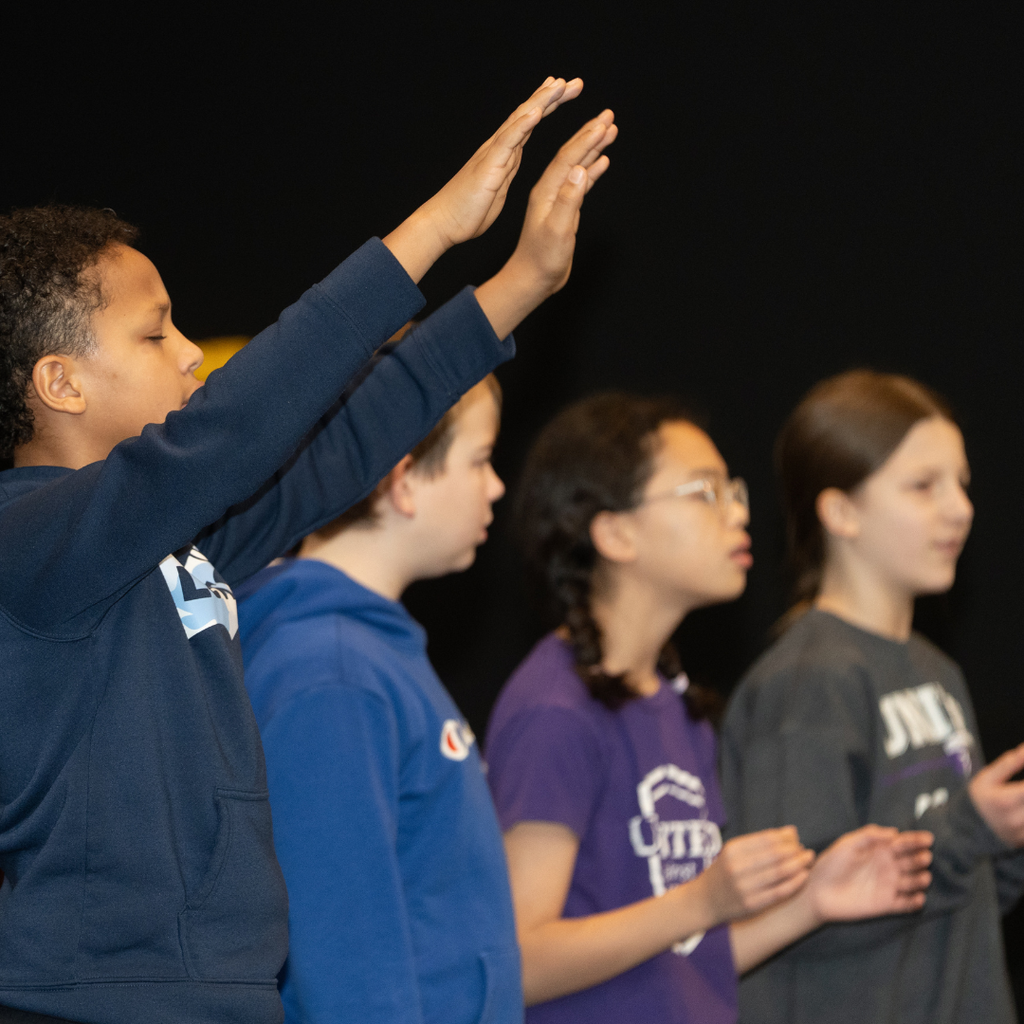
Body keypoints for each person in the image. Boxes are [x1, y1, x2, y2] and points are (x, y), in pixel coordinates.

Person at [0, 77, 613, 1024]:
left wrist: (518, 284)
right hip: (93, 1003)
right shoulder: (33, 541)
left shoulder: (171, 543)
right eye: (157, 331)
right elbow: (233, 430)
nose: (192, 354)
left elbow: (337, 451)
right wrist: (434, 229)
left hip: (225, 997)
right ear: (60, 383)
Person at [484, 392, 934, 1024]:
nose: (736, 516)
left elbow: (682, 960)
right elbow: (518, 961)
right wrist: (699, 901)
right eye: (704, 493)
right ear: (615, 532)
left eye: (735, 492)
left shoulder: (675, 701)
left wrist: (811, 904)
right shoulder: (556, 709)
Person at [720, 369, 1024, 1024]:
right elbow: (798, 912)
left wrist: (1006, 843)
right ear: (841, 511)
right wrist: (971, 826)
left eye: (962, 484)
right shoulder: (806, 683)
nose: (960, 508)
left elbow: (967, 896)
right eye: (923, 486)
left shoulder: (937, 671)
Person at [237, 372, 517, 1024]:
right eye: (480, 461)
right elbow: (343, 956)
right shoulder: (332, 673)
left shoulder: (373, 652)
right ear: (405, 478)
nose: (497, 485)